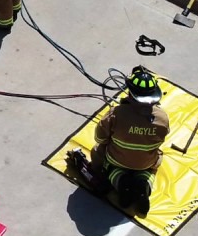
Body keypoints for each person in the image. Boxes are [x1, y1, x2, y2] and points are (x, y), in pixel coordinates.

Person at [69, 67, 169, 217]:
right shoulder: (163, 117)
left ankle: (120, 180)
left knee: (98, 152)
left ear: (130, 93)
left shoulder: (115, 114)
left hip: (117, 160)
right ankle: (144, 184)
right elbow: (160, 141)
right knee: (152, 164)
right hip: (146, 162)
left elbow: (100, 139)